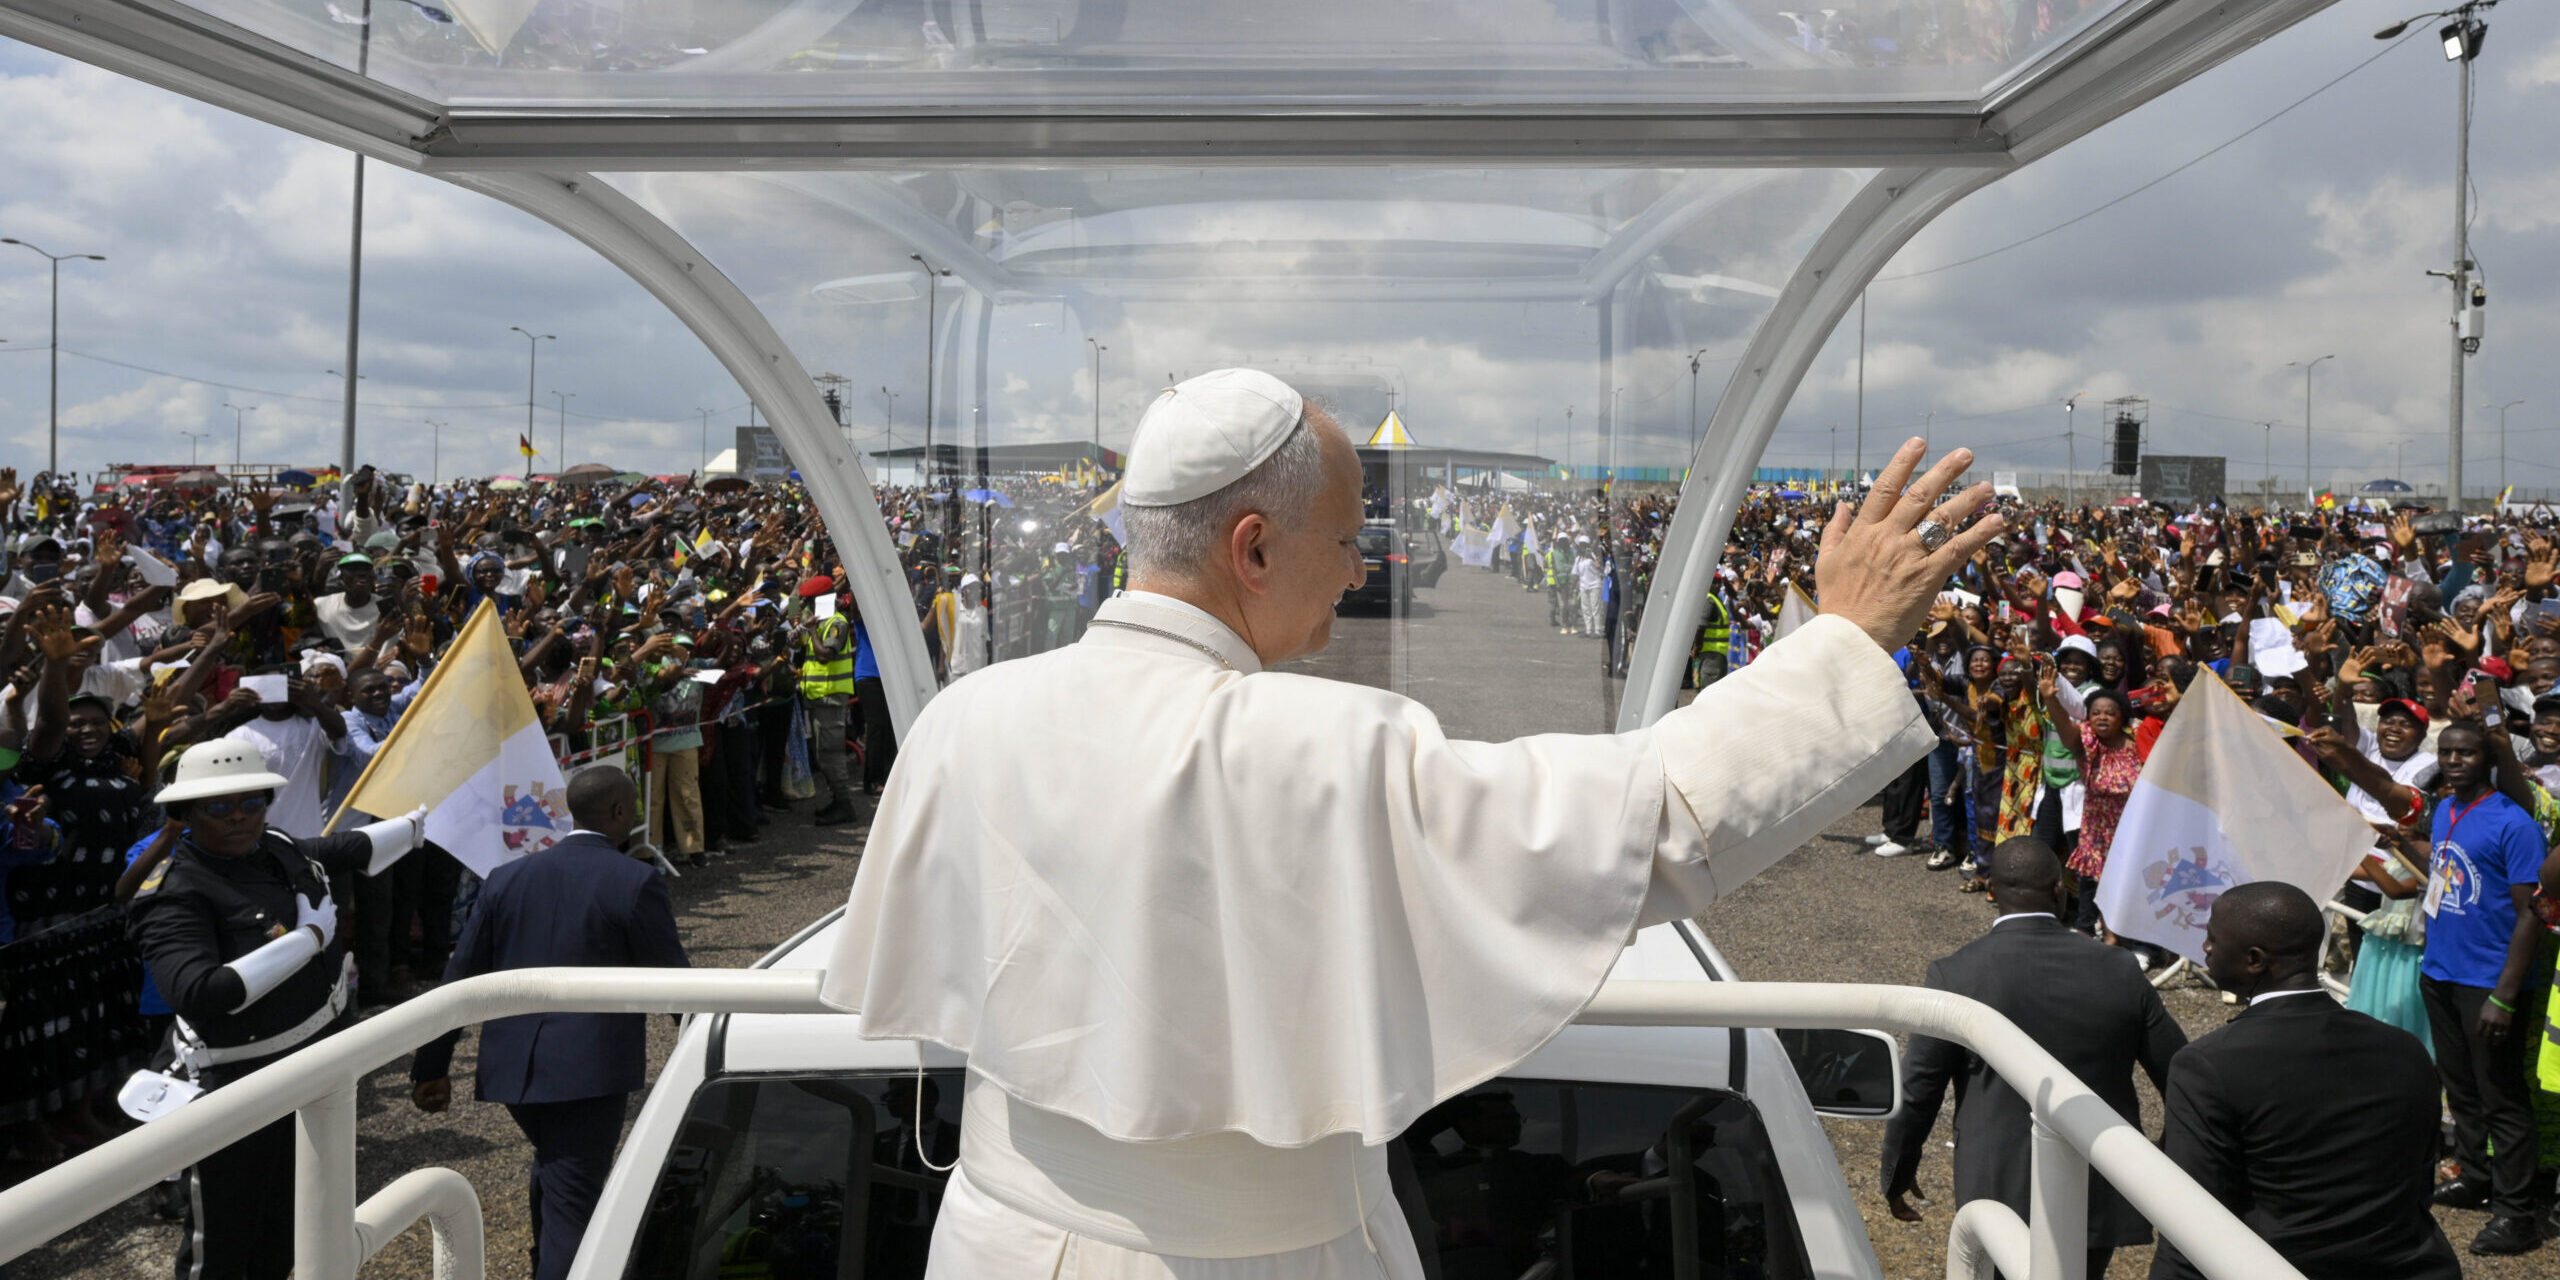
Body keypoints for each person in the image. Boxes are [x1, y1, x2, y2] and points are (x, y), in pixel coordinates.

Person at [822, 370, 1999, 1278]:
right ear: (1253, 544)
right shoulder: (1318, 747)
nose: (1353, 572)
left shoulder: (964, 717)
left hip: (992, 1239)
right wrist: (1840, 642)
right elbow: (1642, 825)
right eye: (1342, 542)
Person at [124, 740, 426, 1280]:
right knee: (223, 1240)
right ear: (186, 814)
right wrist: (308, 939)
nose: (238, 816)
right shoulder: (175, 891)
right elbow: (200, 992)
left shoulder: (278, 845)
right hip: (236, 1087)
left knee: (291, 1225)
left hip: (310, 1069)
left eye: (252, 801)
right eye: (218, 807)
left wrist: (418, 825)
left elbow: (343, 849)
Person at [410, 764, 690, 1280]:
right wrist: (702, 1043)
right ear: (619, 812)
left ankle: (544, 1259)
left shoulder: (506, 878)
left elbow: (459, 977)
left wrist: (430, 1065)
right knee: (575, 1207)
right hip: (589, 1075)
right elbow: (674, 980)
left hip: (513, 1071)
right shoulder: (636, 880)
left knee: (558, 1168)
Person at [1879, 836, 2187, 1279]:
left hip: (1999, 1188)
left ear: (1990, 891)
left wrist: (1898, 1172)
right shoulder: (2119, 969)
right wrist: (2150, 1160)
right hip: (2097, 1187)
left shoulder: (1955, 973)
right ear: (2059, 891)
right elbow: (2184, 1079)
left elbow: (1917, 1089)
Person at [2147, 881, 2460, 1280]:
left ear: (2255, 960)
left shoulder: (2206, 1065)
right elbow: (2416, 1187)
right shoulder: (2407, 1049)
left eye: (2212, 939)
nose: (2205, 949)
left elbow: (2192, 1224)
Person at [2418, 720, 2551, 1254]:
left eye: (2466, 753)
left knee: (2502, 1098)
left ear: (2487, 759)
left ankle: (2517, 1214)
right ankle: (2475, 1176)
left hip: (2489, 982)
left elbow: (2532, 915)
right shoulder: (2445, 810)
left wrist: (2505, 995)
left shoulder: (2515, 823)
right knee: (2462, 1088)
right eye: (2447, 752)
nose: (2454, 761)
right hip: (2441, 973)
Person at [793, 574, 859, 826]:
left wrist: (810, 631)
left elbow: (825, 656)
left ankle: (845, 805)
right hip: (819, 698)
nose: (807, 606)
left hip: (831, 698)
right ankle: (837, 800)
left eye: (809, 601)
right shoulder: (819, 623)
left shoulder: (836, 623)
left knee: (832, 755)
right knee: (824, 755)